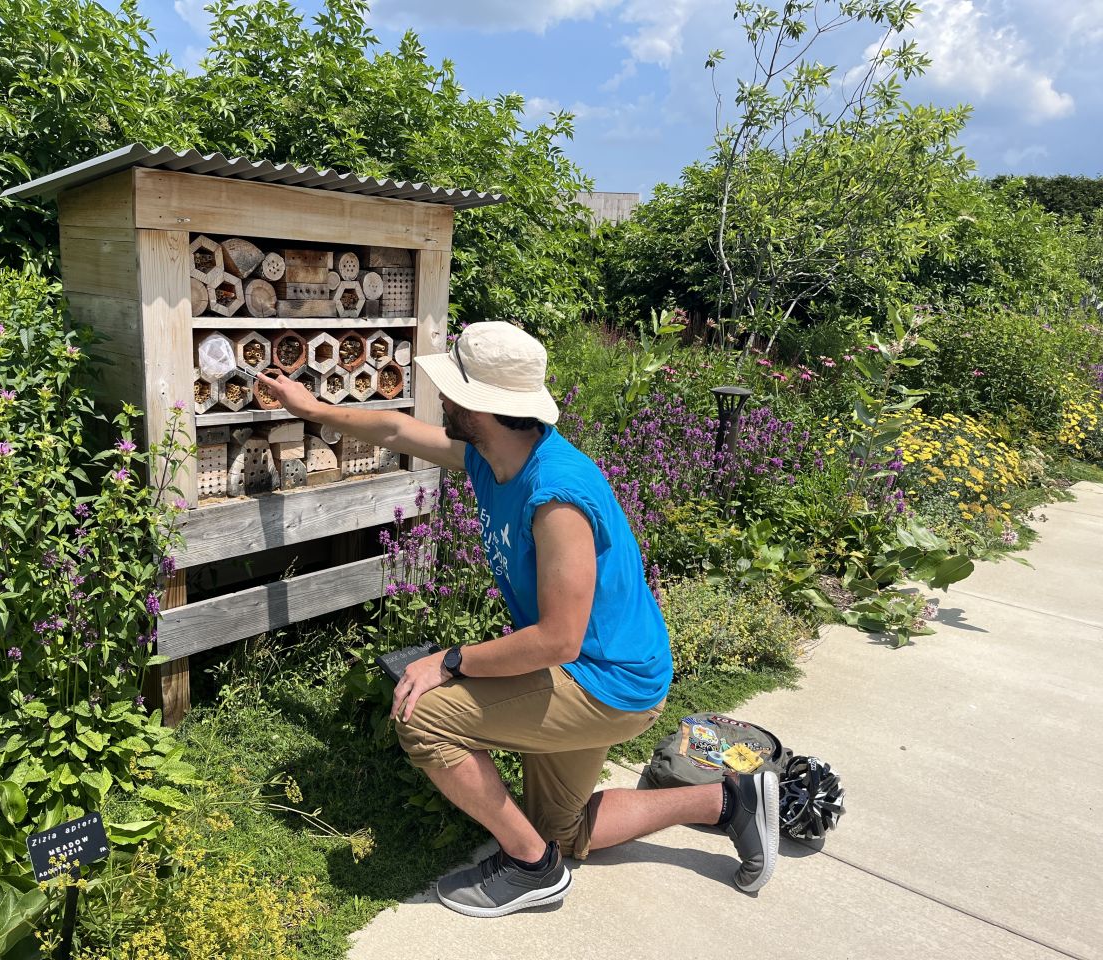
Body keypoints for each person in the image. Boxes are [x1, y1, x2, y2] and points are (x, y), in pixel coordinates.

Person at [259, 321, 779, 918]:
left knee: (423, 715)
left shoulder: (556, 495)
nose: (443, 399)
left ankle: (532, 868)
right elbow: (397, 428)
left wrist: (450, 660)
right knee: (562, 828)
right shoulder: (490, 455)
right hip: (590, 670)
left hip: (607, 682)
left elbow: (558, 639)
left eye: (453, 390)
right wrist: (314, 406)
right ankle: (728, 800)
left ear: (482, 408)